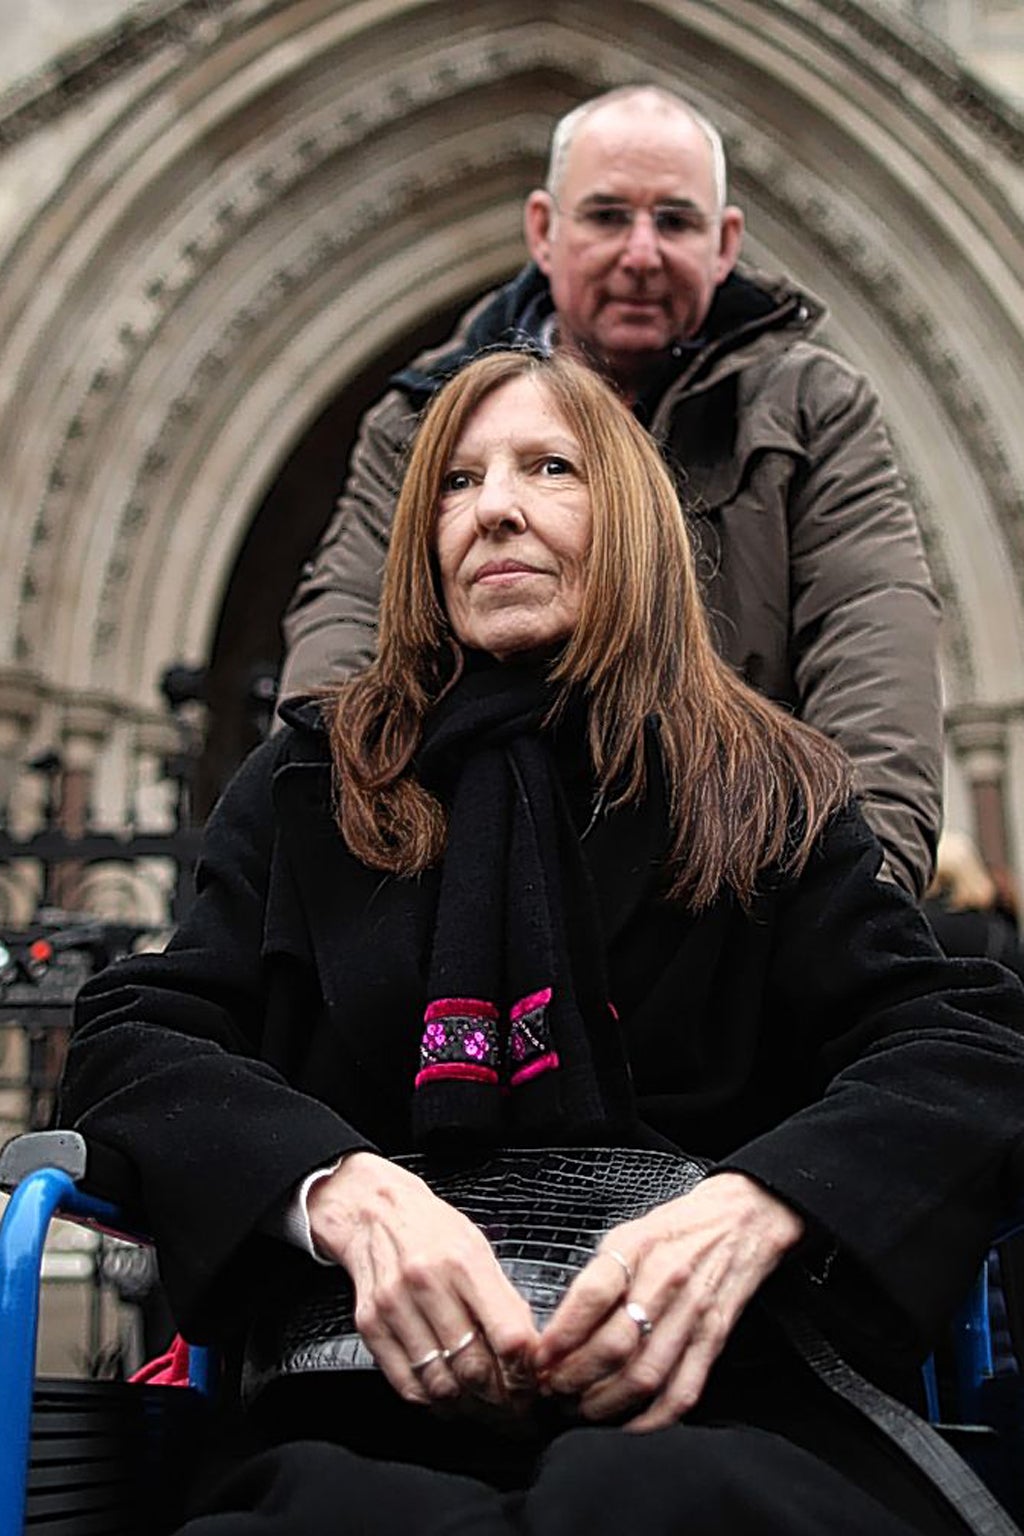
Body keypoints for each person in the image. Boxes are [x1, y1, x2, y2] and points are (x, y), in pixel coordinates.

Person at [59, 351, 1024, 1536]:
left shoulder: (762, 788)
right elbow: (138, 1034)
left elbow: (961, 1040)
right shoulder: (313, 788)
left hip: (720, 1402)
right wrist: (335, 1192)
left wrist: (765, 1203)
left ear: (629, 516)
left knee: (649, 1504)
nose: (493, 506)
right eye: (456, 482)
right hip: (353, 1405)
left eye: (545, 467)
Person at [279, 84, 943, 898]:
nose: (640, 252)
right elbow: (346, 629)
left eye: (675, 220)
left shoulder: (811, 410)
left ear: (725, 241)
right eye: (605, 216)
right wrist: (341, 865)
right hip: (476, 880)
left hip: (735, 886)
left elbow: (875, 637)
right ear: (543, 232)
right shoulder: (416, 420)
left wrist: (859, 898)